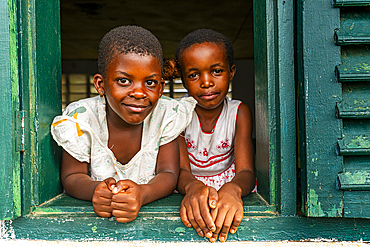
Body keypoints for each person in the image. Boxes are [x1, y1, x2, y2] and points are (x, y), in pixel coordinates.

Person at [51, 26, 196, 223]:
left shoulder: (165, 115)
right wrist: (95, 191)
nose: (139, 92)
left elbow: (168, 173)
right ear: (100, 85)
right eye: (124, 81)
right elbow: (72, 175)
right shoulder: (82, 119)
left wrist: (143, 194)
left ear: (161, 88)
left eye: (150, 83)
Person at [175, 29, 255, 242]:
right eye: (194, 75)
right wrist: (192, 188)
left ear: (232, 72)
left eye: (216, 71)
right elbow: (181, 170)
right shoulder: (177, 115)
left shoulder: (239, 113)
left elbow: (246, 170)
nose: (206, 82)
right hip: (189, 187)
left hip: (230, 183)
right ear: (183, 80)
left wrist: (234, 189)